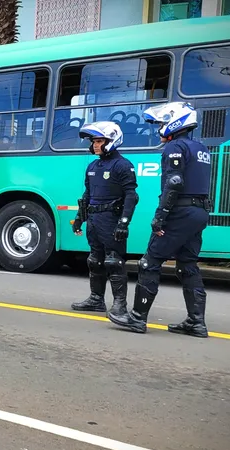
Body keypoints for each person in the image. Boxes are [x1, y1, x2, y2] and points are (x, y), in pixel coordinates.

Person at [108, 102, 213, 337]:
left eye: (164, 123)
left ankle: (137, 318)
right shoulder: (202, 148)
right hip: (199, 212)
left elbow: (174, 183)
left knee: (149, 262)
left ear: (176, 122)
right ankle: (196, 322)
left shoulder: (174, 147)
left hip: (180, 212)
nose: (160, 128)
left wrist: (161, 217)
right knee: (188, 265)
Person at [70, 121, 138, 317]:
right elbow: (87, 195)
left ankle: (119, 305)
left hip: (111, 219)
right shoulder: (92, 166)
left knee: (114, 262)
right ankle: (96, 299)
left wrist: (124, 223)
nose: (95, 145)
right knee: (94, 260)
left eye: (100, 141)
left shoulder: (123, 165)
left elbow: (131, 196)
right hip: (93, 219)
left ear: (113, 140)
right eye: (94, 141)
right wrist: (78, 219)